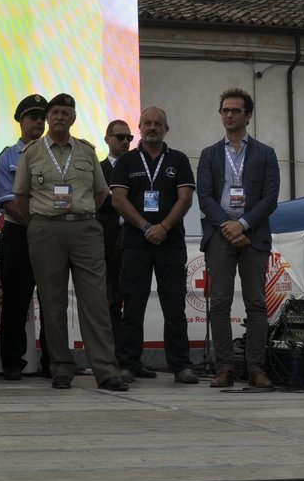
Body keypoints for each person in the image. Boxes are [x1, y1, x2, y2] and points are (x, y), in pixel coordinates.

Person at [10, 93, 131, 392]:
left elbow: (101, 193)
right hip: (45, 230)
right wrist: (42, 222)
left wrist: (80, 213)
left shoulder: (87, 151)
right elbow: (20, 196)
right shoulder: (33, 153)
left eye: (66, 112)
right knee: (52, 302)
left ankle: (105, 369)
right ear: (49, 118)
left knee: (96, 301)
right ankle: (61, 368)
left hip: (84, 229)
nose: (59, 117)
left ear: (74, 118)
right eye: (55, 112)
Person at [196, 88, 281, 390]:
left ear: (248, 115)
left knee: (256, 303)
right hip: (220, 236)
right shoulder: (209, 155)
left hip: (253, 236)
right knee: (219, 302)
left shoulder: (265, 153)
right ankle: (224, 368)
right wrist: (228, 226)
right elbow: (204, 198)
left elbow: (271, 198)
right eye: (225, 110)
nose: (229, 115)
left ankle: (257, 368)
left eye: (235, 110)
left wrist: (243, 224)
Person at [109, 106, 198, 385]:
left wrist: (164, 227)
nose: (152, 127)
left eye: (158, 124)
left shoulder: (179, 160)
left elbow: (185, 198)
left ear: (166, 129)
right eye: (147, 123)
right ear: (139, 128)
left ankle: (180, 365)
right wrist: (147, 227)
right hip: (136, 243)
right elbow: (118, 201)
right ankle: (128, 363)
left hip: (170, 243)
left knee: (174, 305)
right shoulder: (126, 162)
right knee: (133, 304)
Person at [0, 94, 51, 380]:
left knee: (53, 300)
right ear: (20, 121)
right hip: (19, 233)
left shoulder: (57, 154)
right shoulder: (7, 157)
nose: (38, 121)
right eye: (32, 116)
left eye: (42, 117)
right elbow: (9, 201)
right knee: (16, 300)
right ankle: (13, 362)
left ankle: (54, 361)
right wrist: (40, 226)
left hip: (53, 236)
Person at [98, 119, 132, 365]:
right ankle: (109, 356)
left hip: (133, 240)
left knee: (133, 298)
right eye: (119, 137)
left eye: (129, 138)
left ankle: (131, 356)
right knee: (108, 300)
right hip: (106, 241)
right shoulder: (97, 169)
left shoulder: (137, 168)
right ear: (107, 139)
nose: (124, 142)